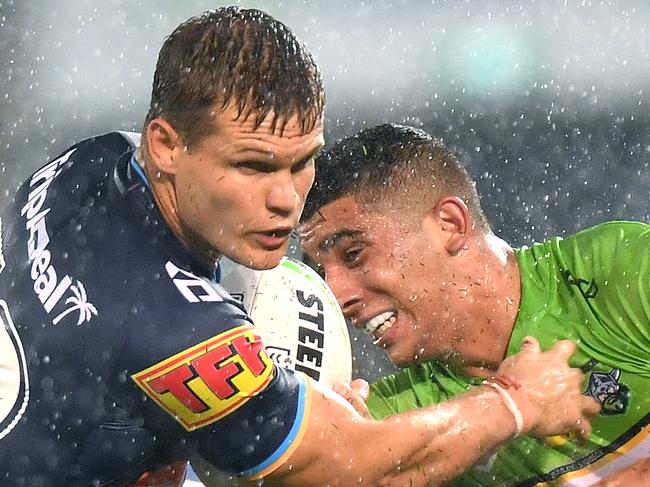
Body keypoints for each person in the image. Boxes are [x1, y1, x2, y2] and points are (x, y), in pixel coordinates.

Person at [0, 8, 598, 486]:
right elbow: (353, 470)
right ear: (165, 146)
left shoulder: (90, 162)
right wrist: (514, 403)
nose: (286, 200)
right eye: (253, 166)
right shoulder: (170, 329)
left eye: (303, 161)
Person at [299, 123, 650, 486]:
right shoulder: (390, 417)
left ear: (449, 224)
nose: (336, 297)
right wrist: (510, 404)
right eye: (323, 273)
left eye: (353, 254)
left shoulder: (618, 271)